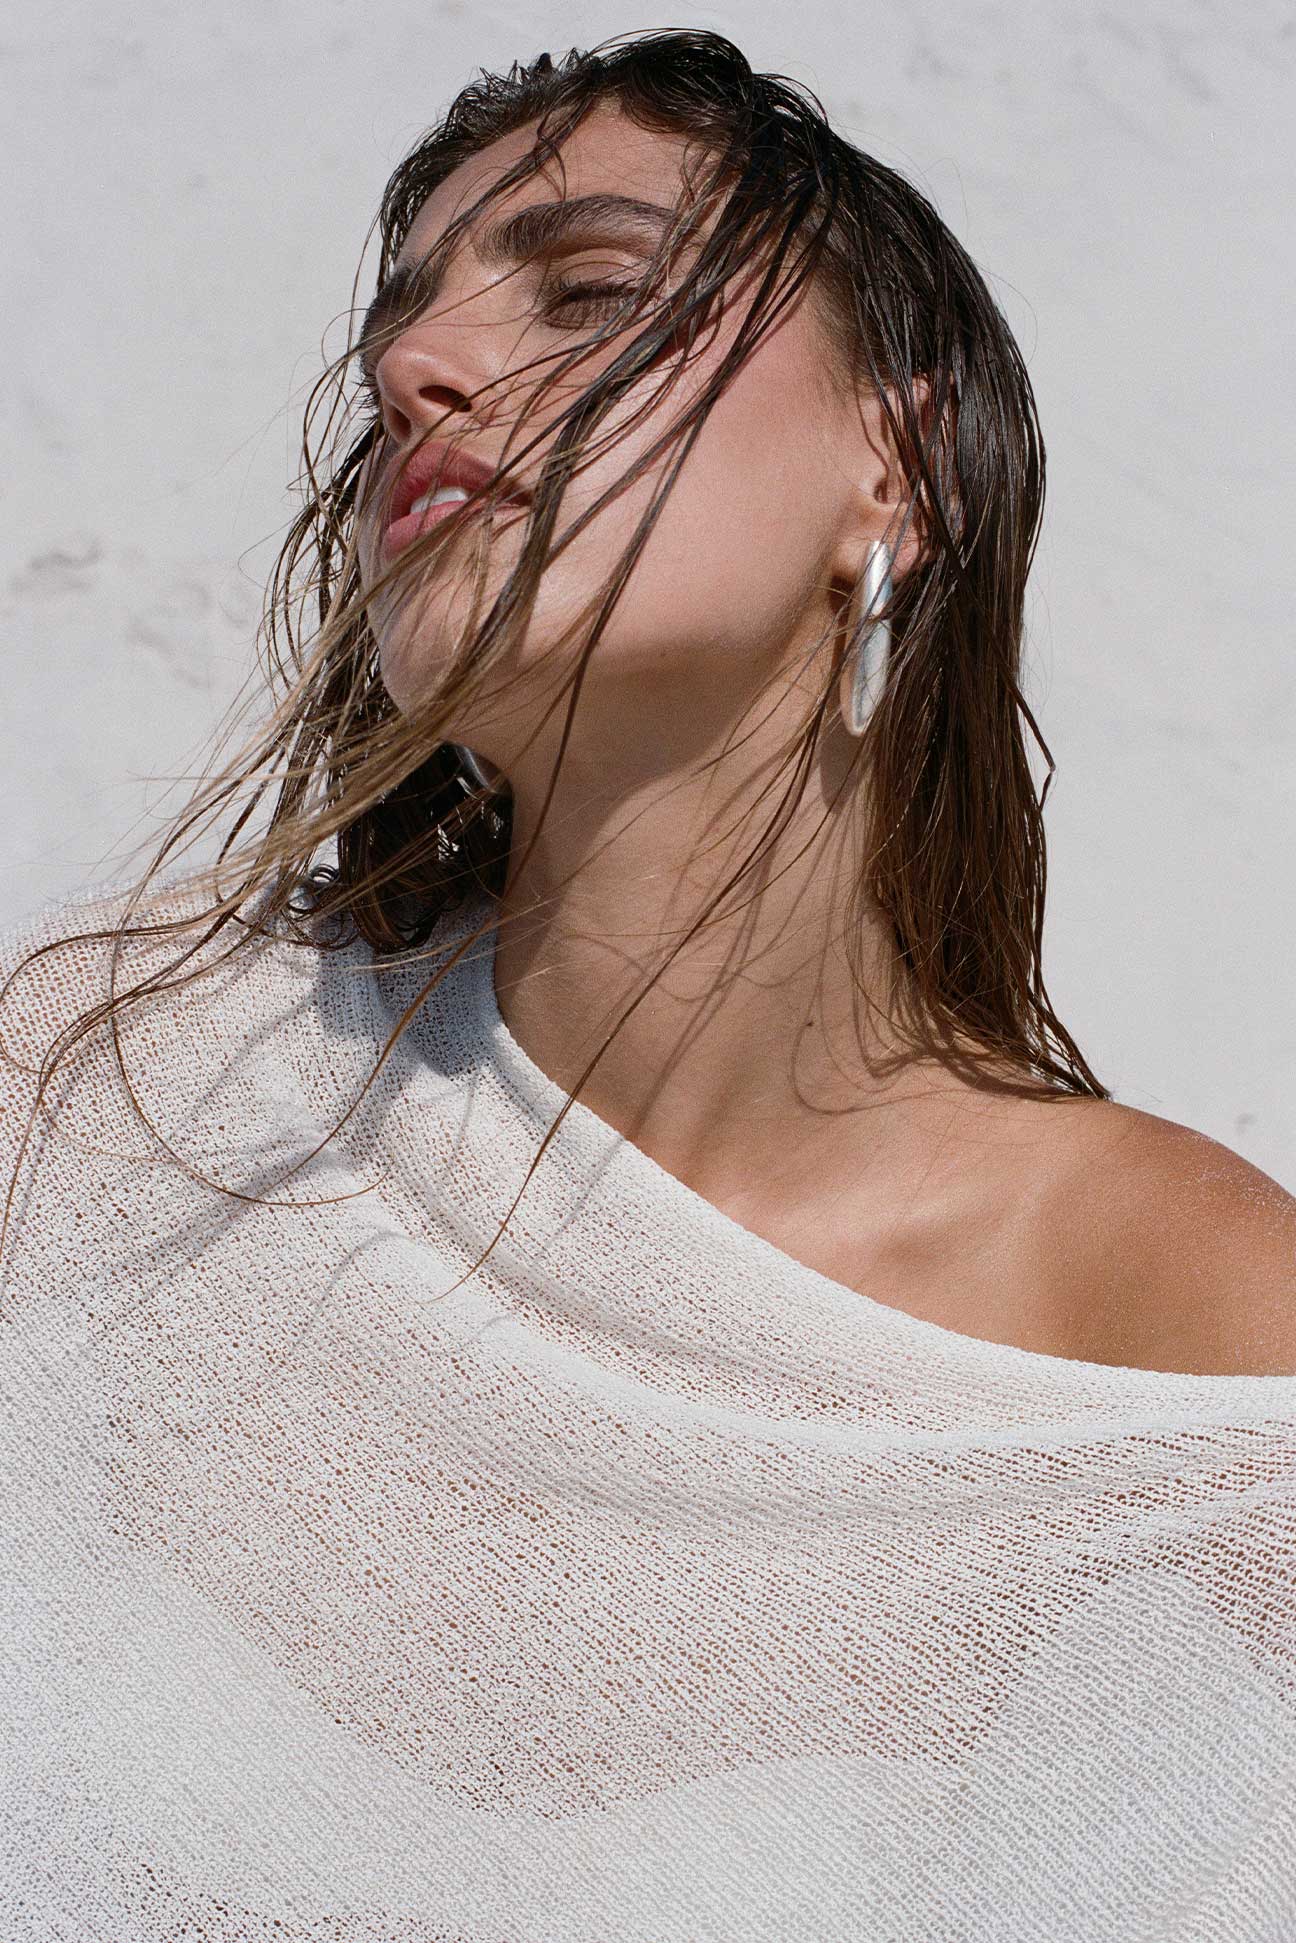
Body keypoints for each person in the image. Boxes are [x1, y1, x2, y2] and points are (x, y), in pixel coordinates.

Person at [2, 29, 1294, 1942]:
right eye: (402, 329)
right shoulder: (110, 1105)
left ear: (904, 467)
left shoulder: (1184, 1332)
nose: (414, 371)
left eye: (589, 287)